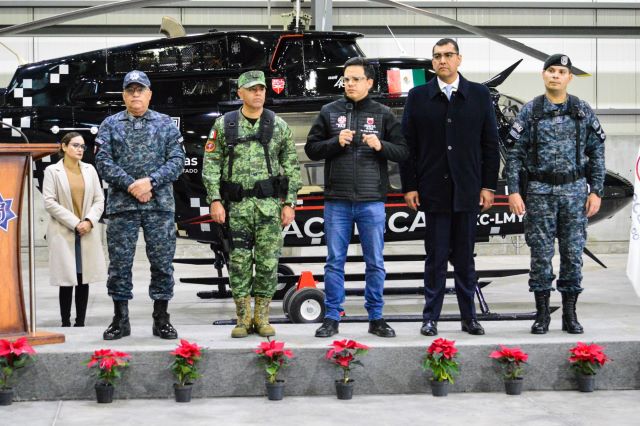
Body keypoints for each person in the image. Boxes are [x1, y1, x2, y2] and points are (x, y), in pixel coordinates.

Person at [400, 39, 500, 337]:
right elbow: (409, 146)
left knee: (465, 259)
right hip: (433, 192)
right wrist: (409, 186)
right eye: (437, 56)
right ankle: (430, 317)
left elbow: (490, 145)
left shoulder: (479, 95)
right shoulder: (418, 97)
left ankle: (469, 317)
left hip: (468, 191)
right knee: (436, 258)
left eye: (448, 55)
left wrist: (488, 186)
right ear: (432, 63)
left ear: (459, 59)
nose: (442, 60)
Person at [306, 57, 409, 338]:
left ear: (369, 83)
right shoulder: (329, 111)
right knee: (334, 261)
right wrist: (334, 143)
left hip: (372, 200)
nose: (349, 84)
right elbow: (312, 149)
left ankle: (376, 317)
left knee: (374, 261)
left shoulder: (384, 114)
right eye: (346, 79)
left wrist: (381, 146)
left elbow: (402, 152)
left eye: (355, 79)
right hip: (337, 200)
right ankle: (331, 317)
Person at [506, 54, 605, 334]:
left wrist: (596, 191)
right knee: (540, 254)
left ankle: (570, 314)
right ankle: (542, 314)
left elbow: (596, 152)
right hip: (539, 193)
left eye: (561, 71)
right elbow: (514, 154)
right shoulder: (531, 111)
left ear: (569, 77)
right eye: (550, 70)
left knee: (573, 254)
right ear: (543, 75)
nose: (555, 76)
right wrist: (514, 191)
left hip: (574, 192)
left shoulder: (581, 110)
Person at [202, 70, 301, 338]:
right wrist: (214, 199)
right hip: (236, 209)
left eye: (261, 89)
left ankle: (263, 317)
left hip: (269, 208)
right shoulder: (225, 125)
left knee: (268, 264)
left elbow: (292, 167)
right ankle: (243, 319)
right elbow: (210, 164)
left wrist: (289, 202)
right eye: (252, 89)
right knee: (239, 263)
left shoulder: (277, 125)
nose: (258, 93)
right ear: (240, 93)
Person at [95, 70, 185, 340]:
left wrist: (151, 182)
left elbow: (178, 160)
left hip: (159, 206)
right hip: (123, 206)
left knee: (162, 263)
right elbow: (103, 162)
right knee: (120, 264)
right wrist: (133, 185)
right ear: (124, 94)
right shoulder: (110, 124)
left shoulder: (166, 123)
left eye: (140, 89)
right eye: (130, 89)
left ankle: (161, 318)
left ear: (149, 94)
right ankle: (120, 319)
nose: (135, 94)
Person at [43, 132, 106, 327]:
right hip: (64, 230)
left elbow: (99, 199)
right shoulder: (52, 171)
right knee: (66, 278)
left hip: (86, 230)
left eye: (82, 147)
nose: (80, 149)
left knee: (83, 277)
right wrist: (74, 222)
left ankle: (80, 321)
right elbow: (49, 202)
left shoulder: (90, 170)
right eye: (75, 145)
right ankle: (65, 322)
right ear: (64, 147)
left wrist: (88, 221)